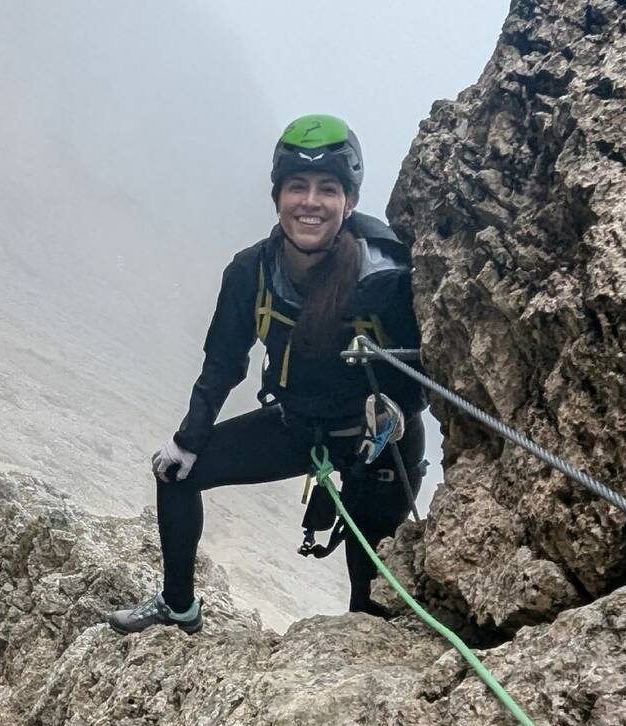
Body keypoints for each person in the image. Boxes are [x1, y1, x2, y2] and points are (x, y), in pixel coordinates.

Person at [109, 114, 426, 635]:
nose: (310, 201)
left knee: (371, 610)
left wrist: (396, 413)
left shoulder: (386, 277)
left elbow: (430, 368)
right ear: (277, 197)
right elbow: (224, 361)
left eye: (328, 188)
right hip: (297, 425)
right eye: (296, 186)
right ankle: (179, 607)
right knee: (175, 475)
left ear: (349, 201)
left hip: (379, 447)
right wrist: (189, 438)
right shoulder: (252, 271)